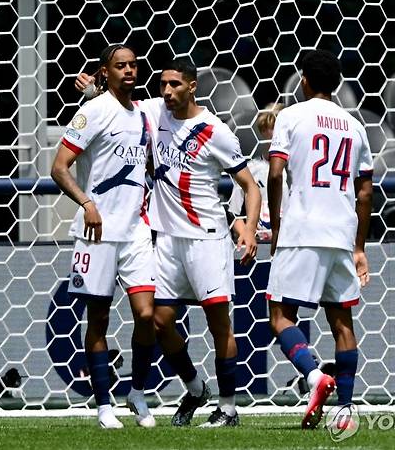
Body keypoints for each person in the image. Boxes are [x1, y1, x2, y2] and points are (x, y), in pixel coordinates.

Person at [77, 59, 261, 427]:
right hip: (165, 240)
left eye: (175, 84)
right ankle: (195, 387)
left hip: (206, 238)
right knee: (158, 322)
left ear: (192, 86)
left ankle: (228, 408)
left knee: (219, 325)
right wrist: (94, 91)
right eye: (163, 84)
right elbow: (119, 107)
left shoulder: (215, 130)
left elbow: (250, 186)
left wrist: (250, 228)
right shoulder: (155, 111)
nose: (167, 91)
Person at [266, 49, 373, 430]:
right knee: (342, 322)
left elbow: (275, 173)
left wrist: (276, 225)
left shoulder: (291, 116)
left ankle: (314, 377)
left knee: (280, 316)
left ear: (304, 80)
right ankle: (345, 410)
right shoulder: (355, 126)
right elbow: (365, 192)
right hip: (341, 232)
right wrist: (359, 247)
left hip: (301, 228)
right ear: (337, 83)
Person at [52, 44, 156, 429]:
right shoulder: (92, 112)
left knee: (146, 314)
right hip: (96, 232)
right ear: (105, 71)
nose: (129, 70)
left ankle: (138, 392)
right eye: (120, 66)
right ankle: (103, 406)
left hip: (136, 231)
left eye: (133, 65)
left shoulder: (144, 113)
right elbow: (59, 168)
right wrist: (86, 203)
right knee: (98, 319)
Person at [228, 103, 289, 242]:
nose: (279, 133)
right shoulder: (250, 169)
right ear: (263, 130)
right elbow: (235, 215)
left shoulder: (295, 168)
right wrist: (247, 236)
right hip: (260, 244)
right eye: (274, 127)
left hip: (290, 243)